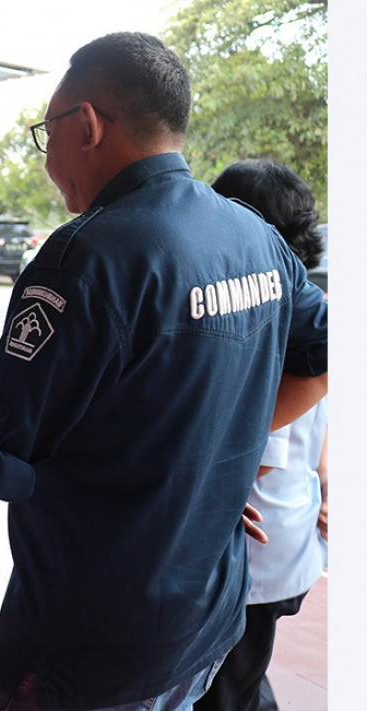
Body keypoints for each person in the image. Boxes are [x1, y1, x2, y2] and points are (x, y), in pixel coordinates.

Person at [0, 32, 328, 711]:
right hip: (208, 614)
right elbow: (318, 360)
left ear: (85, 125)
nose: (46, 154)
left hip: (96, 637)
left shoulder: (86, 259)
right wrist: (215, 461)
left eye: (43, 131)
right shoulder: (252, 235)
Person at [194, 158, 330, 711]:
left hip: (256, 557)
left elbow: (257, 452)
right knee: (245, 679)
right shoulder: (313, 309)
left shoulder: (258, 320)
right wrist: (324, 483)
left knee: (225, 689)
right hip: (290, 536)